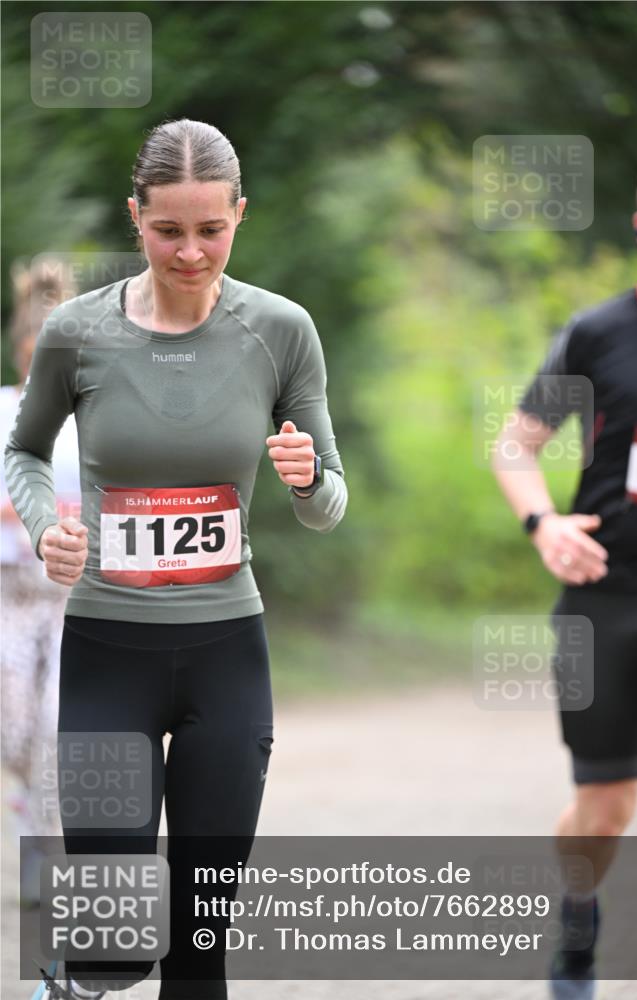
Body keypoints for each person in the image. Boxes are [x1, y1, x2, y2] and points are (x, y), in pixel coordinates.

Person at [5, 118, 347, 1000]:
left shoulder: (281, 329)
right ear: (135, 218)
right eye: (167, 230)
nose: (189, 251)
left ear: (239, 215)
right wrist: (49, 527)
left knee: (200, 946)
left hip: (227, 656)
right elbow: (26, 452)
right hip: (107, 657)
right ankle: (73, 982)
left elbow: (328, 504)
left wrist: (308, 481)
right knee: (114, 946)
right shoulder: (78, 332)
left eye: (210, 228)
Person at [492, 146, 637, 1000]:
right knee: (606, 810)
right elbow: (515, 445)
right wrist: (542, 522)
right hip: (605, 600)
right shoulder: (599, 336)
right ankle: (576, 922)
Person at [1, 258, 80, 902]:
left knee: (59, 724)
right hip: (9, 595)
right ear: (24, 352)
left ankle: (49, 848)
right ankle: (32, 815)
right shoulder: (3, 413)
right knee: (12, 727)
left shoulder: (91, 423)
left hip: (72, 598)